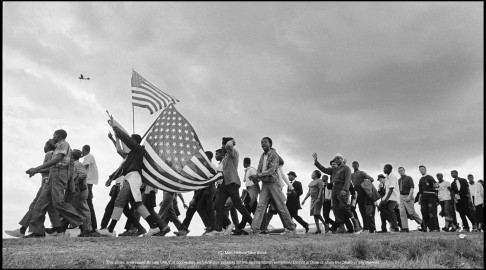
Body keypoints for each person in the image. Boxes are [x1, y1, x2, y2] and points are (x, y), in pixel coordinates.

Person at [97, 117, 169, 237]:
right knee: (136, 204)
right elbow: (122, 167)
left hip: (133, 178)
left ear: (133, 142)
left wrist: (114, 127)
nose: (128, 142)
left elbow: (125, 139)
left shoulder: (138, 150)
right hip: (130, 178)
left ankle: (110, 230)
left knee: (119, 201)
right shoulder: (132, 154)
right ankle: (153, 227)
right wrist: (111, 178)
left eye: (130, 140)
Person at [25, 130, 85, 238]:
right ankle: (37, 231)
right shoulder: (59, 147)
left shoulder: (64, 144)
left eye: (54, 135)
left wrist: (37, 168)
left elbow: (57, 160)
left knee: (58, 203)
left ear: (60, 136)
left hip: (58, 175)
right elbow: (52, 166)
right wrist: (36, 171)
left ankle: (81, 221)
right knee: (40, 203)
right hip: (53, 174)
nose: (53, 137)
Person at [6, 139, 61, 238]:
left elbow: (52, 168)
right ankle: (59, 230)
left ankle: (28, 231)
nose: (44, 147)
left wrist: (37, 170)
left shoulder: (49, 153)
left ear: (48, 146)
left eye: (45, 145)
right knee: (50, 208)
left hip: (47, 182)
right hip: (49, 183)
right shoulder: (54, 153)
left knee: (35, 206)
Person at [206, 137, 253, 236]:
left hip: (232, 183)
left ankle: (253, 224)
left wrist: (232, 141)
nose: (222, 147)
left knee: (238, 205)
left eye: (223, 144)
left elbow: (228, 145)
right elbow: (220, 171)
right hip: (225, 184)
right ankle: (218, 229)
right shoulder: (226, 157)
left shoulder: (234, 153)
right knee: (218, 205)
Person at [249, 137, 296, 235]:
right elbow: (259, 169)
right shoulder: (262, 156)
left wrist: (258, 175)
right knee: (260, 206)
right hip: (265, 184)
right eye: (261, 143)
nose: (263, 144)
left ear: (270, 144)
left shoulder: (274, 155)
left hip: (273, 183)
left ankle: (291, 228)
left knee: (280, 205)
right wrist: (256, 178)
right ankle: (255, 229)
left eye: (265, 142)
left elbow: (272, 170)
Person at [312, 153, 359, 234]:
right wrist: (316, 161)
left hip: (342, 190)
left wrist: (345, 189)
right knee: (336, 209)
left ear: (341, 159)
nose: (336, 160)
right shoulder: (333, 170)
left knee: (343, 207)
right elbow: (323, 169)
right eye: (335, 159)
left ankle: (354, 221)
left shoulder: (346, 168)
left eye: (338, 158)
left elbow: (348, 180)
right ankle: (341, 227)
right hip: (334, 190)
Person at [397, 167, 423, 232]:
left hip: (408, 196)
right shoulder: (399, 180)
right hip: (401, 196)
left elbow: (412, 188)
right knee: (402, 213)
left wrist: (409, 196)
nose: (401, 172)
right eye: (399, 171)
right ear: (398, 172)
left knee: (411, 212)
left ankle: (422, 223)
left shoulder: (409, 178)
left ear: (404, 170)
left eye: (402, 170)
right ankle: (405, 228)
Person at [350, 161, 374, 231]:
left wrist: (365, 185)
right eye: (353, 165)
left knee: (362, 209)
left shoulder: (362, 173)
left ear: (358, 165)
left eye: (355, 164)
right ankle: (358, 225)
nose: (354, 166)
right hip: (354, 191)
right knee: (351, 208)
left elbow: (372, 179)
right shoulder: (351, 174)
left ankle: (366, 227)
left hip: (361, 191)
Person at [416, 165, 439, 232]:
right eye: (420, 170)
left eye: (422, 169)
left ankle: (434, 228)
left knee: (432, 212)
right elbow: (420, 191)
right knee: (424, 212)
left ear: (425, 169)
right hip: (423, 197)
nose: (421, 171)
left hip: (431, 197)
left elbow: (437, 186)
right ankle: (425, 227)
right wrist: (419, 199)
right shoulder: (420, 179)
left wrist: (436, 196)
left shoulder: (430, 177)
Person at [81, 145, 98, 231]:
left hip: (87, 182)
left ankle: (93, 226)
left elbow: (85, 167)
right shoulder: (89, 157)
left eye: (82, 150)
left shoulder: (88, 156)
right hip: (89, 182)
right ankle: (91, 226)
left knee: (88, 204)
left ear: (84, 150)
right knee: (87, 203)